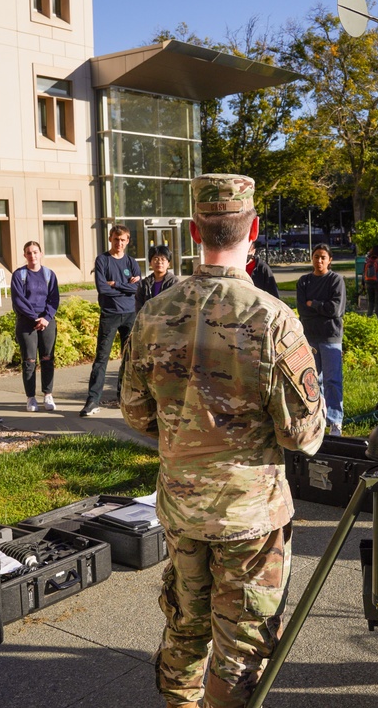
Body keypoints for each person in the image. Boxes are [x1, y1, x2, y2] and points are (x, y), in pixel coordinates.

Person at [121, 173, 325, 708]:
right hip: (248, 515)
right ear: (255, 228)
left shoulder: (153, 314)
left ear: (194, 230)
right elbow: (304, 435)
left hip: (182, 504)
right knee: (244, 641)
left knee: (186, 622)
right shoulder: (274, 319)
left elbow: (136, 413)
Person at [80, 224, 140, 417]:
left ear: (128, 241)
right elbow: (102, 289)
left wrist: (117, 284)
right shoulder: (102, 260)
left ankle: (124, 398)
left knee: (129, 360)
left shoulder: (131, 262)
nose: (119, 243)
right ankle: (92, 401)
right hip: (110, 314)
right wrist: (126, 286)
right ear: (110, 239)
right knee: (101, 359)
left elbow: (137, 289)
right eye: (116, 239)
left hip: (130, 314)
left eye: (123, 240)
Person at [296, 243, 346, 435]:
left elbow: (336, 310)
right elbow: (302, 309)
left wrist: (314, 304)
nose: (319, 261)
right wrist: (320, 308)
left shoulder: (335, 280)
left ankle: (335, 420)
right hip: (309, 337)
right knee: (311, 380)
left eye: (323, 257)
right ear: (312, 258)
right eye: (316, 256)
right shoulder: (304, 282)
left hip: (330, 336)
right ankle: (318, 416)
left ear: (330, 260)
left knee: (333, 380)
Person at [11, 241, 60, 413]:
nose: (32, 256)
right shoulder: (19, 275)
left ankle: (48, 395)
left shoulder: (49, 274)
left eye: (35, 252)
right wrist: (34, 318)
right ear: (24, 255)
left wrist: (46, 318)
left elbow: (54, 299)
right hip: (26, 323)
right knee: (29, 361)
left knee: (47, 359)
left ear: (41, 253)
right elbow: (18, 301)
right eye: (29, 253)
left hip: (47, 322)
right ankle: (30, 397)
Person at [136, 244, 179, 311]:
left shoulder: (174, 282)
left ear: (168, 263)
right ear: (150, 263)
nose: (159, 262)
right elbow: (139, 306)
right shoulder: (144, 283)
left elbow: (176, 304)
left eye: (163, 259)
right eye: (156, 259)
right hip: (148, 320)